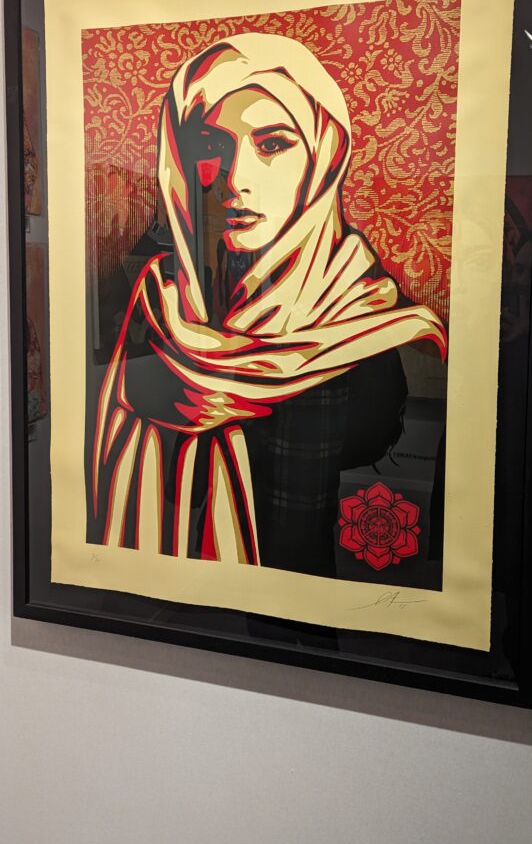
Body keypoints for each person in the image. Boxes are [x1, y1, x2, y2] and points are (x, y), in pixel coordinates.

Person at [88, 33, 447, 578]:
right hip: (190, 579)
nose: (235, 179)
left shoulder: (353, 299)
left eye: (273, 144)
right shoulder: (167, 293)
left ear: (324, 156)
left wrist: (247, 386)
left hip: (294, 572)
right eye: (211, 144)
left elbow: (373, 434)